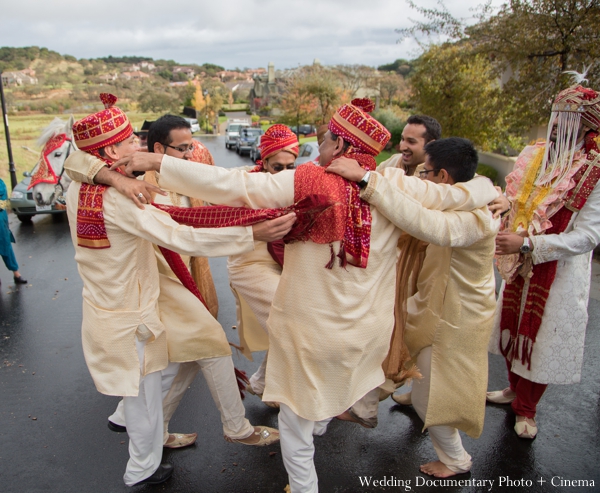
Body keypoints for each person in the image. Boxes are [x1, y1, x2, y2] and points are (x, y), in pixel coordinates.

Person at [111, 98, 499, 492]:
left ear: (343, 148)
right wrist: (488, 188)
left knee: (294, 423)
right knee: (333, 392)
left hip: (311, 332)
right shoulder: (394, 185)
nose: (319, 149)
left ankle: (303, 486)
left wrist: (159, 164)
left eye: (325, 140)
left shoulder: (310, 180)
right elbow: (454, 196)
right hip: (367, 334)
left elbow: (236, 185)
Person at [64, 95, 291, 486]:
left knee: (152, 390)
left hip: (119, 310)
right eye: (127, 142)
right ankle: (142, 471)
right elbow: (178, 235)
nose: (135, 147)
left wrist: (113, 174)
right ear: (108, 151)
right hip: (130, 316)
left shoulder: (80, 186)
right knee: (143, 399)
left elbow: (76, 162)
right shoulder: (119, 197)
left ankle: (148, 458)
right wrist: (250, 233)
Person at [328, 137, 499, 478]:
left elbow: (428, 225)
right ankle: (365, 406)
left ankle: (456, 460)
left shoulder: (479, 218)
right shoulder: (468, 197)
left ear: (445, 178)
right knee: (392, 350)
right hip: (433, 305)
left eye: (427, 172)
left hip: (457, 318)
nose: (422, 179)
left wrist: (366, 181)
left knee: (431, 398)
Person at [487, 80, 600, 439]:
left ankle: (527, 409)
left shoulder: (594, 170)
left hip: (558, 269)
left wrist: (530, 245)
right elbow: (517, 198)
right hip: (520, 260)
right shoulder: (535, 155)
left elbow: (588, 237)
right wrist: (507, 206)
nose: (555, 127)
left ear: (585, 127)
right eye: (555, 117)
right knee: (511, 325)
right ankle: (512, 390)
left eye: (565, 120)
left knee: (541, 337)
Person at [228, 124, 299, 406]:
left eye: (290, 166)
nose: (284, 173)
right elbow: (216, 222)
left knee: (294, 326)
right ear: (264, 161)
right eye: (277, 167)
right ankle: (296, 402)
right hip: (249, 265)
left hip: (287, 264)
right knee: (290, 327)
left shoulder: (300, 182)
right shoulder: (244, 184)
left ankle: (262, 382)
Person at [0, 178, 27, 285]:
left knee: (6, 246)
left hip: (1, 221)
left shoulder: (0, 183)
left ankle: (16, 274)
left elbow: (3, 203)